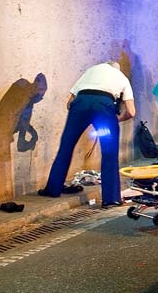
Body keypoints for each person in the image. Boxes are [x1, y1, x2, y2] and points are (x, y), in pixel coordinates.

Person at [39, 61, 135, 207]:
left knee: (66, 147)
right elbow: (131, 112)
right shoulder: (121, 77)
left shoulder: (90, 71)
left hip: (80, 103)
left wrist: (81, 117)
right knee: (109, 153)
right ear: (117, 68)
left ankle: (52, 189)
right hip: (104, 107)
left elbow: (69, 102)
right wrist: (115, 119)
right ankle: (111, 199)